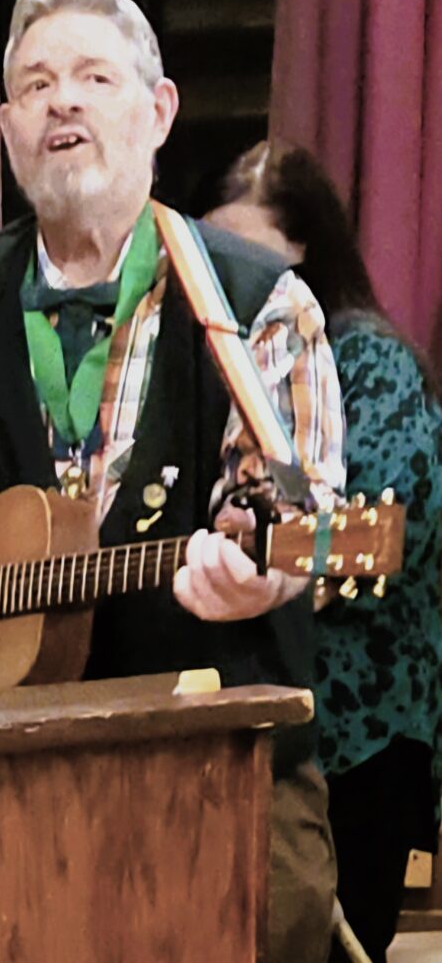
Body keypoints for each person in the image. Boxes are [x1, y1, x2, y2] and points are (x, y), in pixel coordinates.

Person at [0, 0, 346, 963]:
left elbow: (295, 515)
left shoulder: (260, 303)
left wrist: (266, 572)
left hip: (212, 777)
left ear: (158, 110)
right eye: (35, 86)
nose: (62, 103)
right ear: (5, 128)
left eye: (92, 77)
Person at [208, 140, 442, 963]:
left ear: (304, 250)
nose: (230, 271)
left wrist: (253, 565)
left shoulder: (368, 361)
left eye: (248, 247)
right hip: (249, 716)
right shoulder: (208, 357)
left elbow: (381, 534)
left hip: (360, 726)